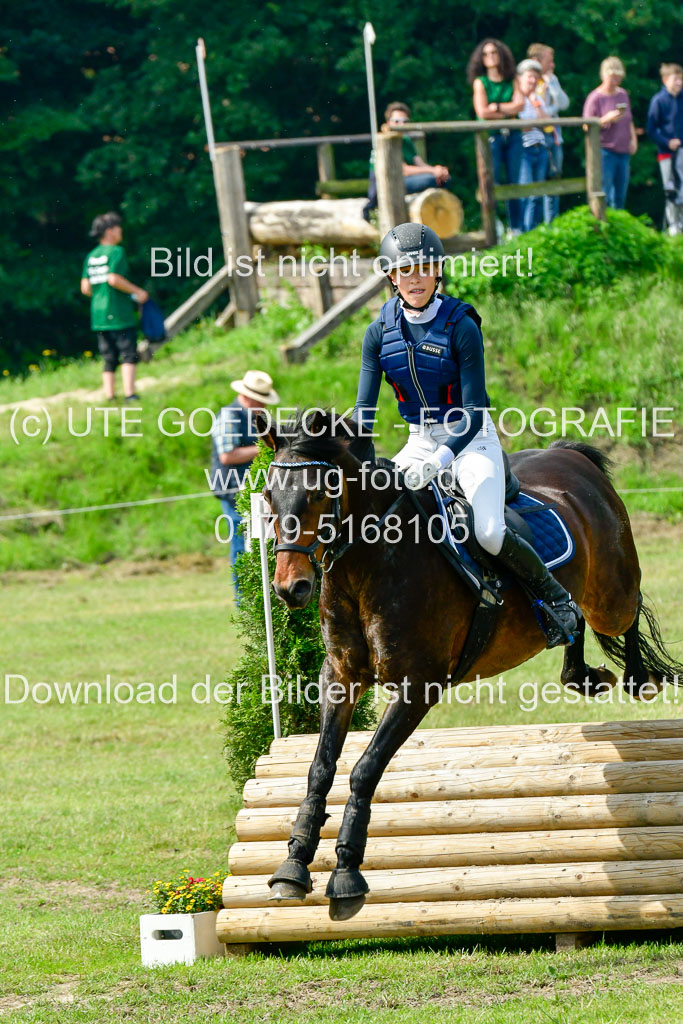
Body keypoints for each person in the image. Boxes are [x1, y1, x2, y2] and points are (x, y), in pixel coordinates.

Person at [352, 223, 581, 648]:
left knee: (489, 532)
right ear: (391, 276)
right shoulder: (378, 333)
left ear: (438, 271)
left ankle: (558, 601)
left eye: (424, 268)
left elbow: (474, 413)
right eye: (405, 270)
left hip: (471, 439)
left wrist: (439, 461)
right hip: (419, 440)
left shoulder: (461, 325)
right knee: (372, 517)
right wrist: (342, 457)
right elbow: (363, 413)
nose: (415, 278)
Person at [211, 370, 280, 604]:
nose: (263, 405)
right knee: (242, 546)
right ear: (248, 397)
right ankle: (244, 601)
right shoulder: (229, 416)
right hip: (233, 491)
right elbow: (227, 455)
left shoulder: (255, 416)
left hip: (253, 490)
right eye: (260, 400)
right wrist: (263, 448)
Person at [80, 212, 148, 402]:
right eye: (118, 228)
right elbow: (113, 279)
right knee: (128, 353)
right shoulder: (116, 252)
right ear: (109, 231)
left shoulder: (91, 255)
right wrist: (138, 292)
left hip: (98, 314)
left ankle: (110, 396)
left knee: (109, 356)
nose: (121, 231)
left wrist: (100, 295)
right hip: (118, 312)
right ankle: (130, 394)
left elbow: (85, 288)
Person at [467, 38, 524, 237]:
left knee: (514, 181)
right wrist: (507, 112)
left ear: (501, 55)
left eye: (494, 53)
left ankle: (516, 227)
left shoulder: (512, 79)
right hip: (490, 137)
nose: (490, 57)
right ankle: (494, 224)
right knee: (490, 180)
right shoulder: (480, 82)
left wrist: (497, 107)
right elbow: (482, 112)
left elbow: (520, 105)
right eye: (486, 54)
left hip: (513, 135)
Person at [364, 102, 451, 219]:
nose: (401, 124)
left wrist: (439, 170)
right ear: (388, 123)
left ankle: (441, 215)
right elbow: (404, 170)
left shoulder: (405, 140)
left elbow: (420, 164)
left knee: (445, 179)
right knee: (431, 180)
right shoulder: (386, 141)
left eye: (405, 121)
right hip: (386, 186)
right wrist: (433, 171)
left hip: (402, 181)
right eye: (397, 121)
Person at [583, 57, 638, 210]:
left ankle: (617, 221)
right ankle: (602, 220)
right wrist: (606, 119)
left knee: (620, 195)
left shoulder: (623, 94)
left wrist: (633, 139)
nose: (615, 81)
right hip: (605, 150)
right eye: (612, 77)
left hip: (623, 150)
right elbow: (586, 126)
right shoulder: (595, 98)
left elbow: (629, 119)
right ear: (604, 75)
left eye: (618, 78)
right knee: (604, 191)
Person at [528, 43, 570, 222]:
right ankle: (532, 227)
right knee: (536, 182)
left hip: (553, 136)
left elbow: (564, 104)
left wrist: (552, 83)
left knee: (555, 178)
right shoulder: (527, 80)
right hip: (534, 138)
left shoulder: (552, 80)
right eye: (549, 61)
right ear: (536, 61)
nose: (553, 65)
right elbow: (531, 109)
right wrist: (549, 110)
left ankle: (551, 225)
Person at [647, 63, 683, 235]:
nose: (679, 83)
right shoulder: (658, 100)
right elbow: (651, 129)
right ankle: (673, 225)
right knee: (671, 190)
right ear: (665, 80)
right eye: (675, 79)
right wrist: (667, 142)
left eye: (681, 79)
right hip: (667, 153)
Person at [517, 59, 550, 233]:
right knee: (526, 192)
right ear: (520, 78)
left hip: (540, 148)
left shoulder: (537, 99)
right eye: (530, 76)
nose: (533, 81)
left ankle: (533, 231)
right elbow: (519, 127)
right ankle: (523, 232)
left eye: (536, 78)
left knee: (538, 194)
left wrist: (535, 103)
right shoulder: (516, 99)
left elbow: (548, 124)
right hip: (523, 150)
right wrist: (535, 123)